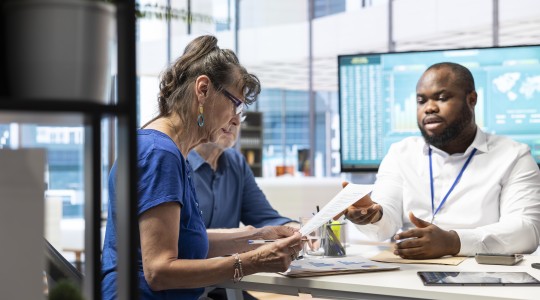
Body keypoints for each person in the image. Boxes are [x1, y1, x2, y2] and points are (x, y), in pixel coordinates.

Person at [101, 35, 303, 300]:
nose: (235, 119)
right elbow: (160, 271)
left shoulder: (166, 149)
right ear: (203, 89)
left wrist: (256, 237)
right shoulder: (160, 154)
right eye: (235, 103)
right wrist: (254, 261)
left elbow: (189, 245)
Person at [339, 62, 540, 259]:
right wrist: (372, 214)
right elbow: (384, 222)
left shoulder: (514, 156)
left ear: (472, 100)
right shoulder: (400, 153)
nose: (429, 108)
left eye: (442, 98)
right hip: (409, 273)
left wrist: (453, 242)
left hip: (482, 276)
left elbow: (527, 230)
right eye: (421, 101)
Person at [188, 119, 297, 230]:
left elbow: (264, 218)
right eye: (227, 110)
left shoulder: (237, 162)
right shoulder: (178, 163)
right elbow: (180, 237)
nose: (235, 121)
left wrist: (299, 230)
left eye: (240, 114)